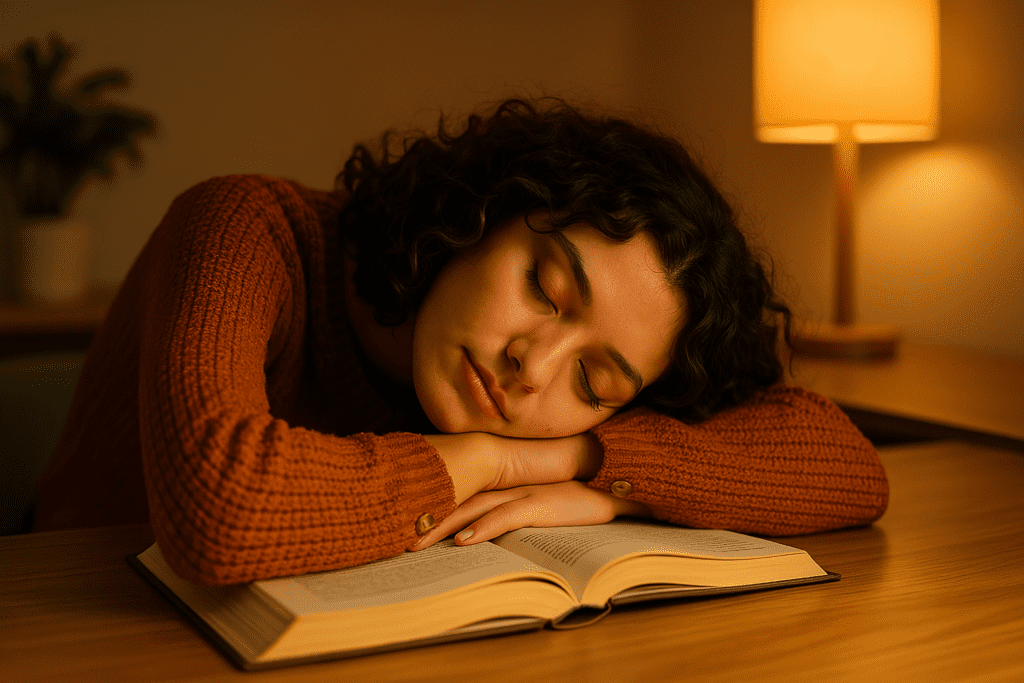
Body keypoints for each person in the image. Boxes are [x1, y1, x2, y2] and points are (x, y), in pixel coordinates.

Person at [33, 99, 888, 586]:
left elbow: (847, 464)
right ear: (480, 210)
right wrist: (477, 459)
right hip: (79, 614)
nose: (533, 365)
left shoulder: (549, 417)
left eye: (594, 381)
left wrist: (574, 464)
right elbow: (222, 510)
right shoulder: (245, 229)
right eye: (544, 288)